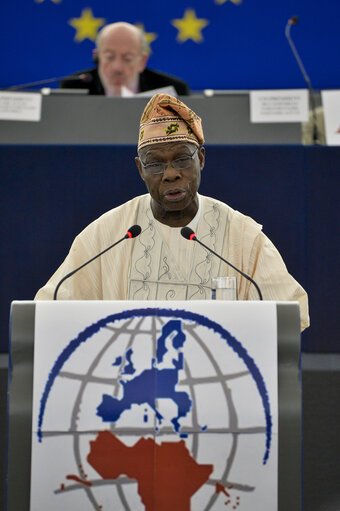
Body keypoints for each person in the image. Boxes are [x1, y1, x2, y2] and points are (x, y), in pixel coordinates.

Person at [35, 93, 309, 331]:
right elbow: (48, 310)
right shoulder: (108, 234)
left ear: (200, 158)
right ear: (140, 170)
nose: (170, 174)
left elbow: (290, 313)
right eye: (155, 164)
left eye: (181, 159)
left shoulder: (242, 235)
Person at [61, 22, 190, 96]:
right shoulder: (73, 87)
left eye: (127, 59)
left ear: (142, 61)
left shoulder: (173, 91)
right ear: (97, 57)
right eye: (109, 57)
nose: (117, 67)